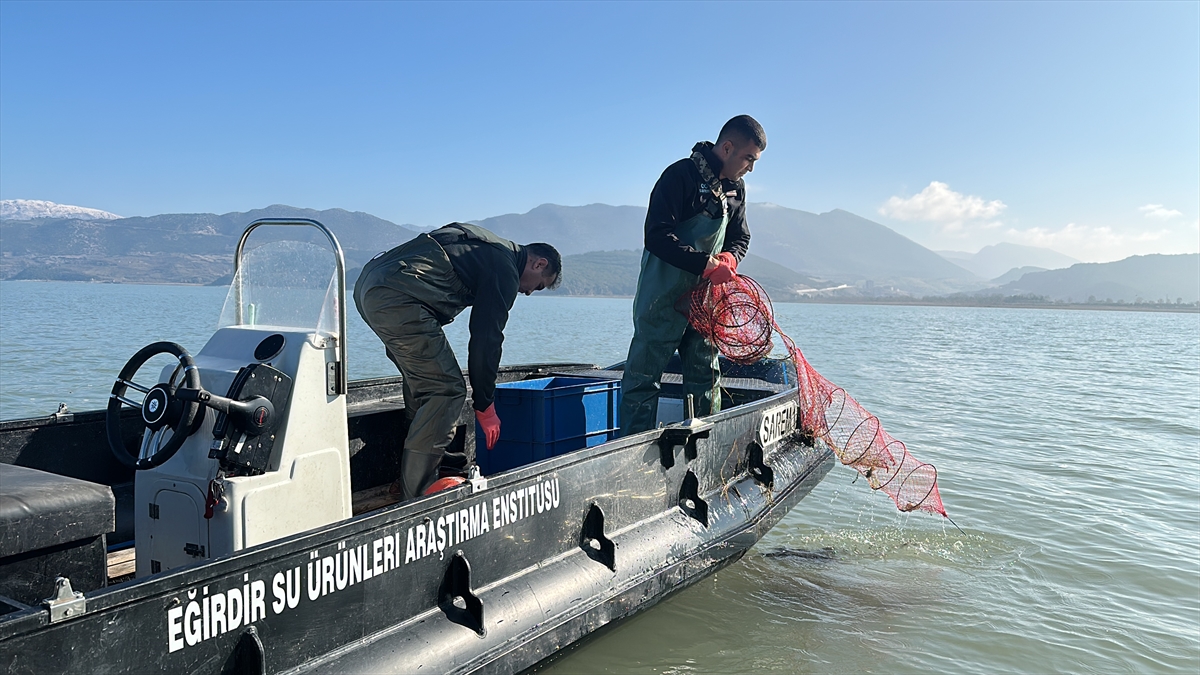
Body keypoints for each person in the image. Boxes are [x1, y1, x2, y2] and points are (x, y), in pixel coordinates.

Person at [353, 223, 561, 498]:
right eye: (540, 286)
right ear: (539, 263)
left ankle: (425, 474)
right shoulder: (505, 268)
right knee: (446, 389)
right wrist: (485, 406)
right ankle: (418, 497)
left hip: (370, 286)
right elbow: (486, 339)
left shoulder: (484, 246)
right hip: (397, 297)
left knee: (425, 386)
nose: (530, 292)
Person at [620, 115, 766, 435]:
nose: (751, 168)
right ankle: (630, 447)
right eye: (748, 159)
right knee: (643, 377)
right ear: (727, 148)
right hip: (662, 297)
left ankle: (703, 442)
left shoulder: (736, 189)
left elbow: (741, 238)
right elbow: (657, 236)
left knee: (705, 374)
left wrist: (729, 257)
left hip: (706, 302)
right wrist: (706, 265)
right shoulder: (679, 176)